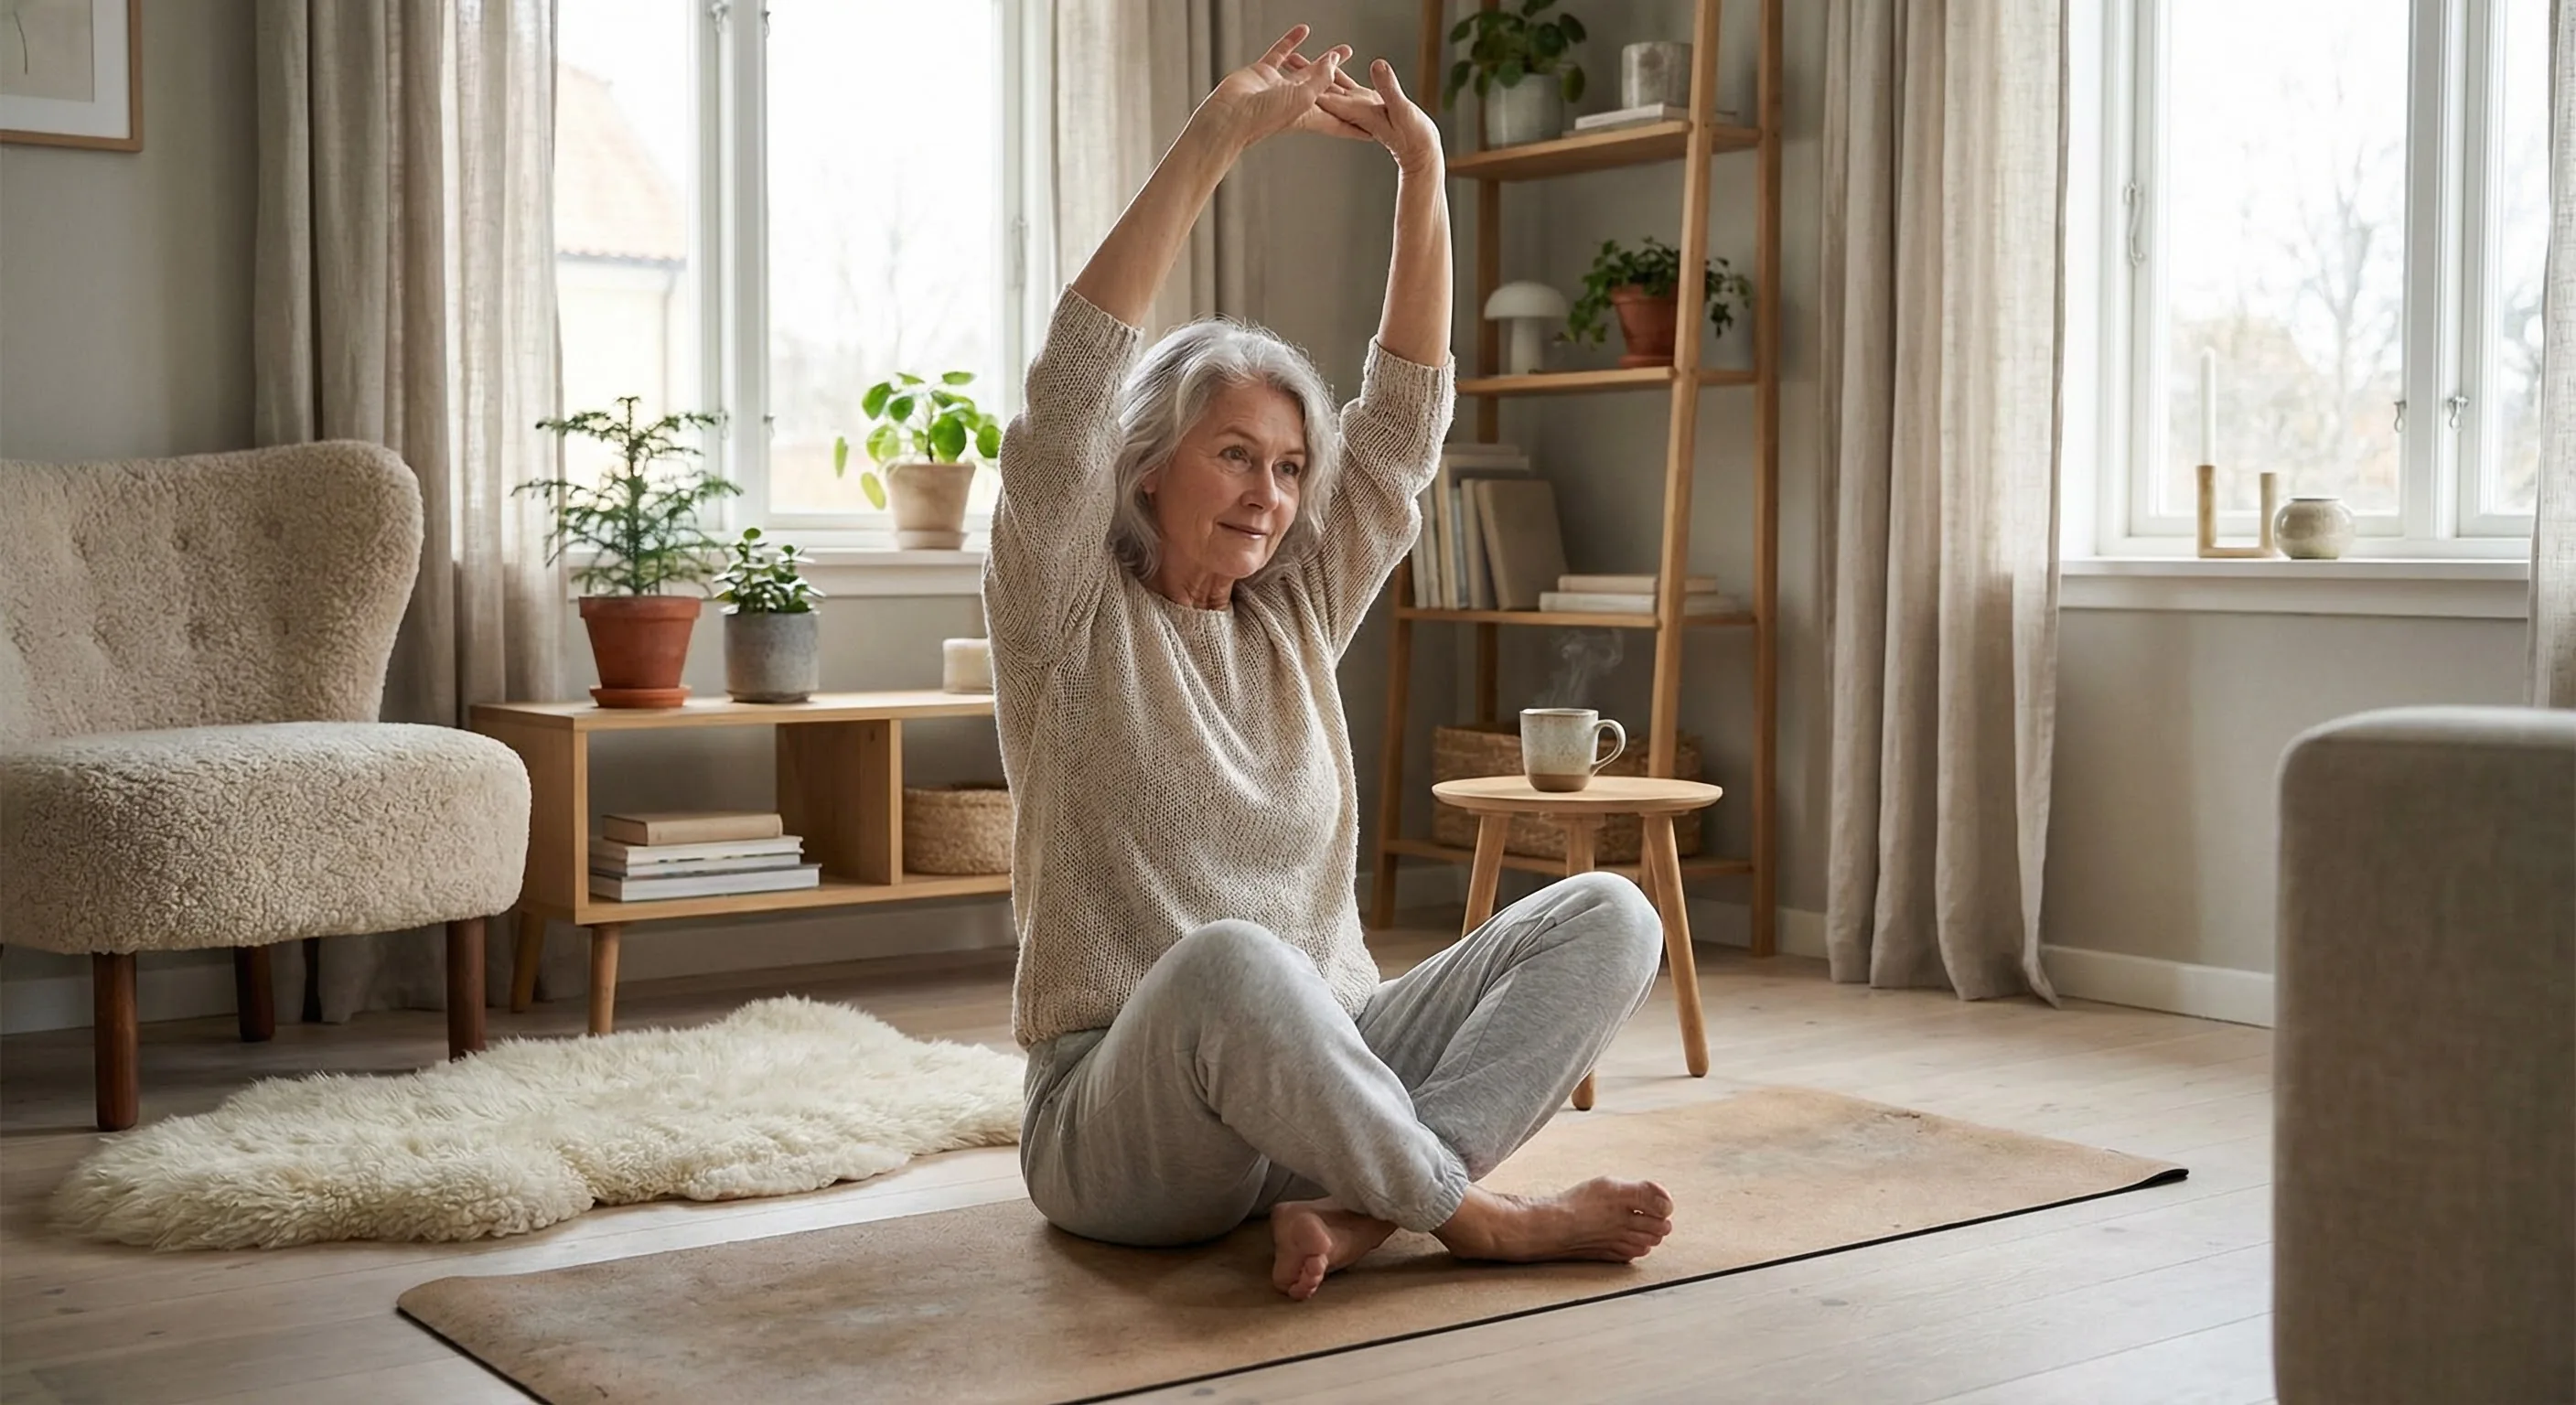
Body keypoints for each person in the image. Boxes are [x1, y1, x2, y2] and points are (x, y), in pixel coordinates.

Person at [986, 26, 1676, 1303]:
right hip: (1126, 1127)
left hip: (1328, 1071)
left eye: (1293, 466)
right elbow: (1071, 388)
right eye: (1237, 455)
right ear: (1149, 465)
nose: (1272, 492)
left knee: (1611, 913)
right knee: (1236, 960)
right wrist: (1214, 140)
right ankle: (1472, 1216)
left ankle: (1362, 1208)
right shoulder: (1066, 613)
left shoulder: (1290, 612)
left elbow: (1405, 422)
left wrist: (1425, 176)